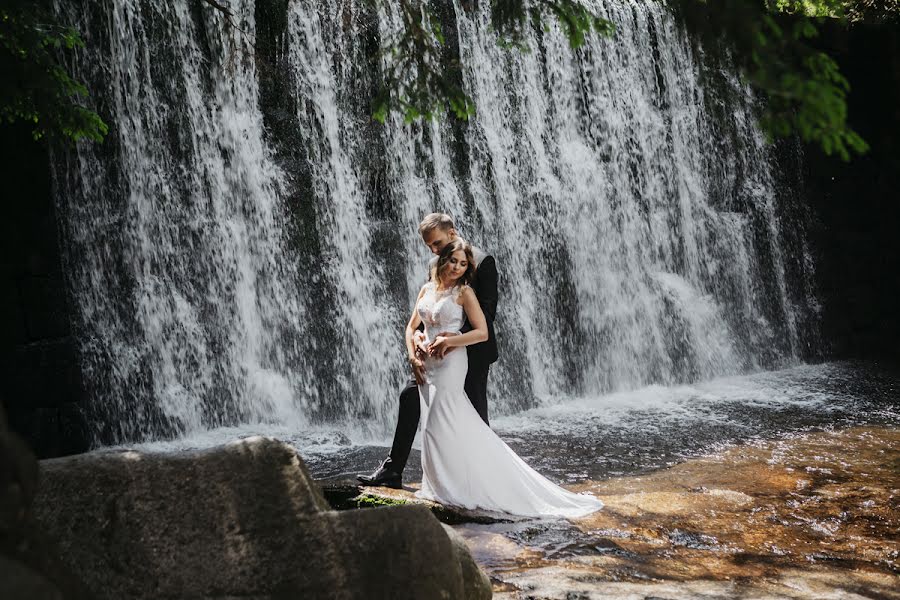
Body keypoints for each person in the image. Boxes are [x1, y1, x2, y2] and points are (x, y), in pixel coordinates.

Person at [376, 238, 603, 517]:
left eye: (463, 264)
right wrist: (415, 350)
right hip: (427, 364)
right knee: (441, 426)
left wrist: (454, 339)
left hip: (451, 364)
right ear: (441, 259)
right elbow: (413, 327)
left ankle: (451, 490)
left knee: (437, 424)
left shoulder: (465, 293)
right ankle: (439, 486)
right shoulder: (427, 288)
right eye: (454, 261)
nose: (458, 267)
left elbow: (482, 332)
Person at [359, 213, 497, 489]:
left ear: (452, 231)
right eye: (429, 247)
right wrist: (421, 339)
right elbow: (430, 309)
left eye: (436, 243)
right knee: (409, 397)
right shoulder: (436, 263)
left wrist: (452, 339)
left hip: (469, 353)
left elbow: (486, 317)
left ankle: (487, 479)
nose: (434, 250)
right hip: (432, 353)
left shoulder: (482, 262)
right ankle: (392, 470)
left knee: (475, 416)